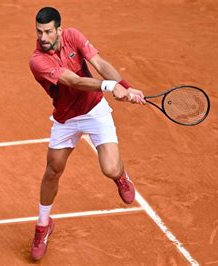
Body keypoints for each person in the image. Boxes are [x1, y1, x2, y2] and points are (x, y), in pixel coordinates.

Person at [28, 7, 146, 260]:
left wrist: (127, 87)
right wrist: (110, 86)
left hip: (95, 111)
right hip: (66, 118)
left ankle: (121, 176)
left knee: (110, 169)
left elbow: (100, 64)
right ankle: (43, 224)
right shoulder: (38, 60)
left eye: (48, 31)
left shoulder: (73, 36)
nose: (43, 37)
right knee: (53, 169)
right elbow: (74, 82)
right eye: (39, 32)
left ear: (59, 29)